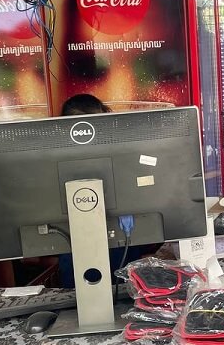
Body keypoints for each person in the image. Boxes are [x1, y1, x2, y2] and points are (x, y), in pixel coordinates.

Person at [56, 93, 157, 287]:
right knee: (78, 293)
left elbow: (146, 179)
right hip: (75, 241)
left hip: (122, 237)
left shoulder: (124, 148)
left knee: (126, 291)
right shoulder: (54, 156)